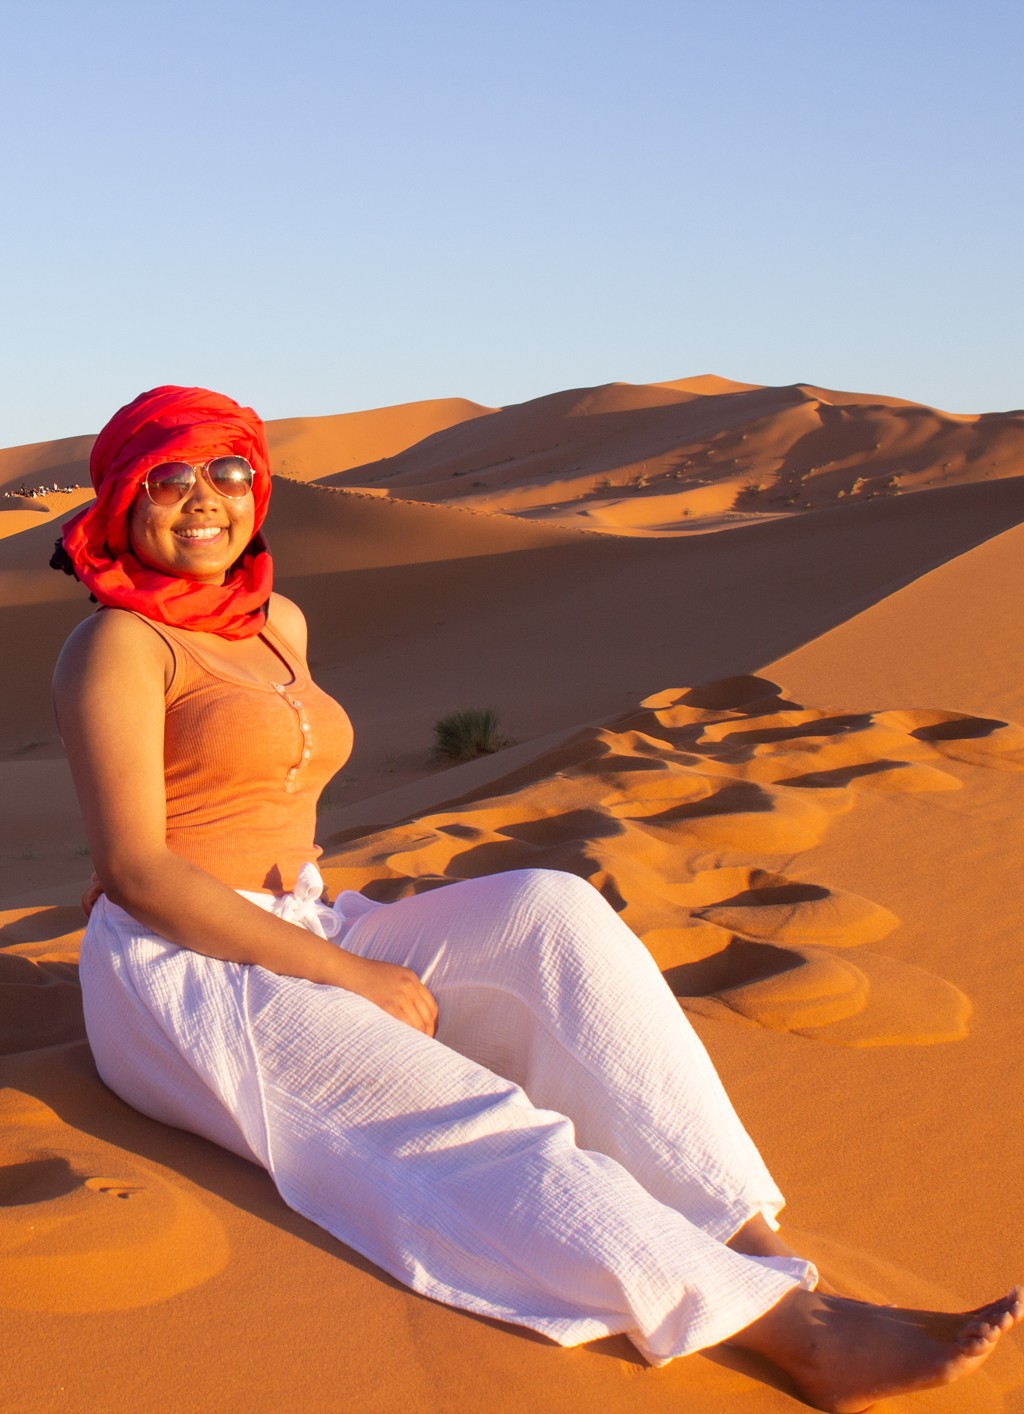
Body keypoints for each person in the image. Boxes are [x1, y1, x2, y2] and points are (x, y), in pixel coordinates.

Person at [52, 386, 1019, 1412]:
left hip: (309, 916)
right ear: (122, 497)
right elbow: (140, 873)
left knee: (551, 911)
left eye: (227, 470)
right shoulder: (120, 644)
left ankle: (746, 1239)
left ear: (259, 483)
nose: (202, 499)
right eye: (167, 476)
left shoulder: (275, 619)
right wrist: (352, 976)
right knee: (451, 1118)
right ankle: (796, 1334)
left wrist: (345, 939)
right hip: (181, 970)